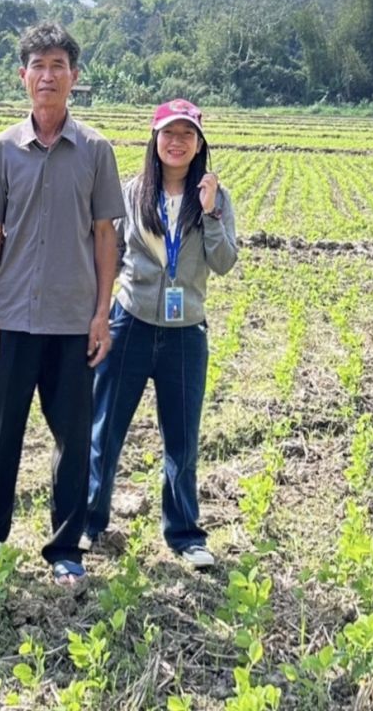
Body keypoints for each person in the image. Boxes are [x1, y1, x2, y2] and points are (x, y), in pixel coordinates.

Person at [0, 23, 125, 586]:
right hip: (14, 319)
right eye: (39, 66)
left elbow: (106, 235)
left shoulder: (97, 150)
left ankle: (64, 551)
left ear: (74, 78)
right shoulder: (1, 150)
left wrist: (102, 313)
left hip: (74, 320)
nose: (48, 76)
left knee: (73, 440)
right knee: (2, 437)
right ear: (23, 76)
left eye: (59, 65)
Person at [83, 99, 238, 570]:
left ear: (198, 144)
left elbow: (225, 262)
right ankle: (88, 524)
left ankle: (186, 535)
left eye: (186, 135)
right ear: (154, 139)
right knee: (105, 430)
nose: (176, 142)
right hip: (129, 323)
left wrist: (210, 215)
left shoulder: (215, 197)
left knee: (183, 439)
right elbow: (107, 256)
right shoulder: (131, 195)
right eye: (168, 133)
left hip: (186, 332)